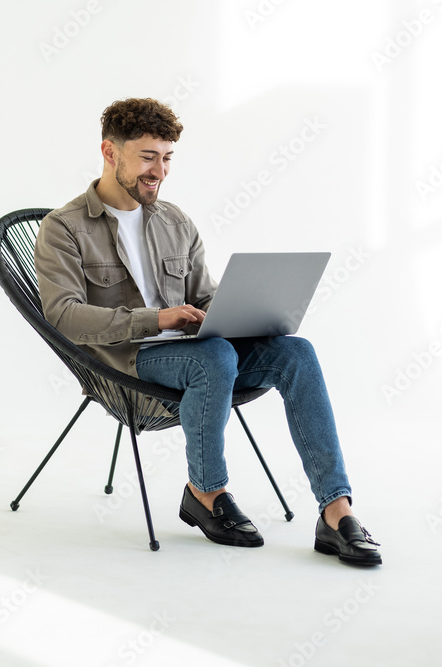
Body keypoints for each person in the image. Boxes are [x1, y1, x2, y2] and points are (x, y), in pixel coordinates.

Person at [34, 98, 381, 565]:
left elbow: (202, 296)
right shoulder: (65, 228)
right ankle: (205, 492)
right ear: (110, 153)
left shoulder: (175, 221)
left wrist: (239, 311)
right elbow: (63, 315)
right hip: (131, 361)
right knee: (214, 357)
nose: (159, 171)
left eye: (167, 158)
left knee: (296, 353)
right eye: (147, 157)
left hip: (196, 348)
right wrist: (158, 319)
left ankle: (336, 511)